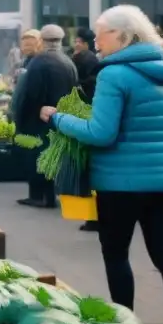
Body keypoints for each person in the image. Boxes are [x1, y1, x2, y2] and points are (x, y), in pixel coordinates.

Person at [40, 5, 163, 324]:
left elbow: (100, 133)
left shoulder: (115, 74)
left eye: (102, 33)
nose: (95, 40)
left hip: (121, 184)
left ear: (125, 36)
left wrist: (58, 118)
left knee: (116, 255)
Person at [11, 24, 78, 209]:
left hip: (38, 119)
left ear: (41, 40)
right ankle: (49, 195)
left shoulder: (39, 63)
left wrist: (21, 119)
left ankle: (38, 195)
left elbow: (30, 94)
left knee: (36, 157)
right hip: (61, 118)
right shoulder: (68, 63)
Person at [71, 27, 102, 231]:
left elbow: (88, 84)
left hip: (87, 116)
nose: (75, 44)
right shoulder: (90, 59)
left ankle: (93, 218)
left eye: (78, 41)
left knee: (90, 172)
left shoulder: (87, 59)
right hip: (90, 116)